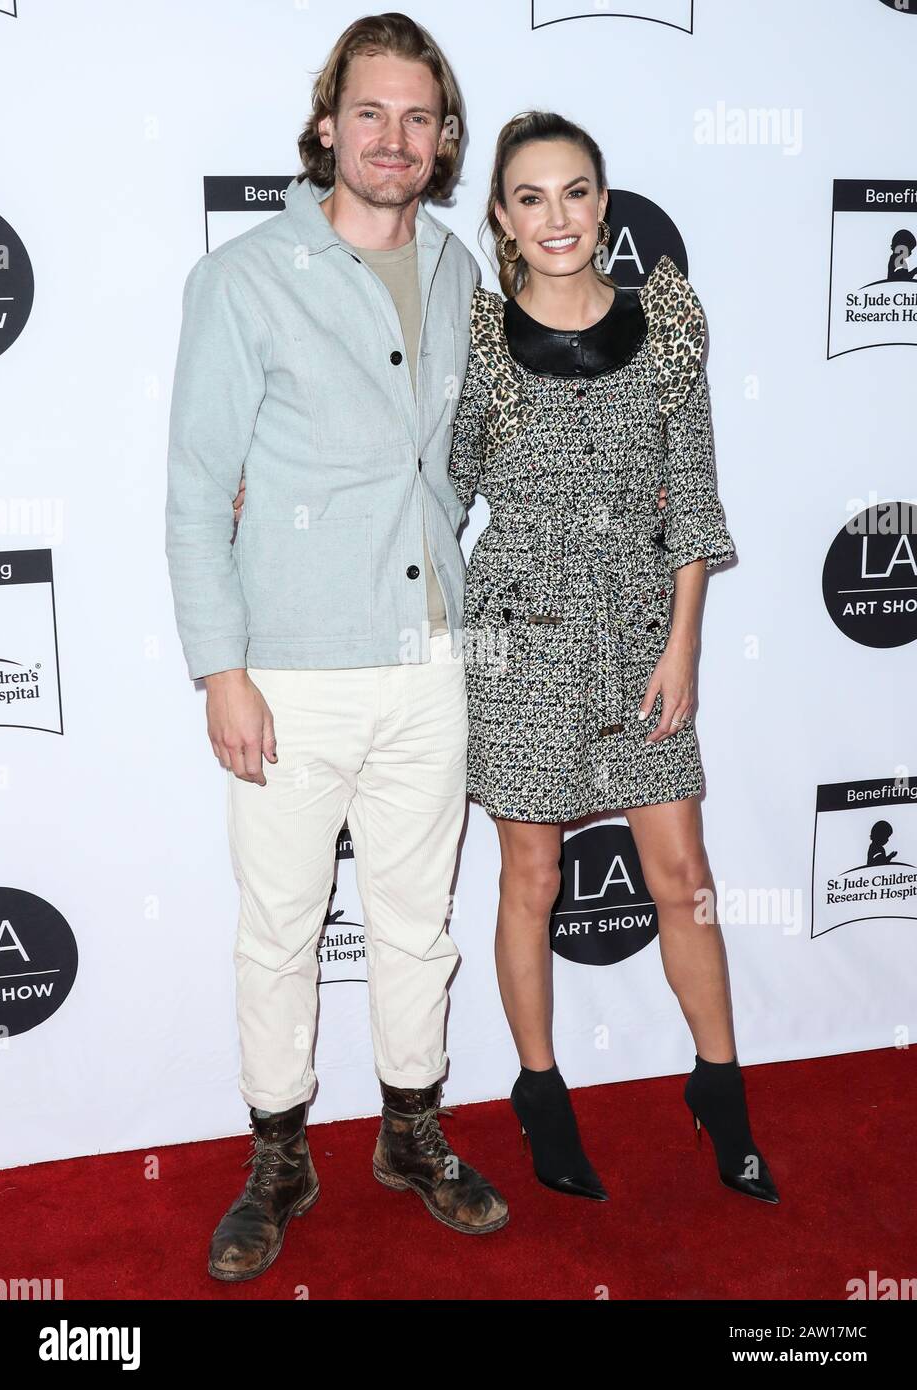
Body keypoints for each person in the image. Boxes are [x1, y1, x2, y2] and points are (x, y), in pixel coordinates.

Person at [165, 13, 510, 1283]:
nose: (394, 138)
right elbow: (198, 490)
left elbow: (455, 457)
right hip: (291, 672)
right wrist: (223, 669)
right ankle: (279, 1157)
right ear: (327, 124)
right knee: (280, 929)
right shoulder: (245, 276)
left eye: (419, 118)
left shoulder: (465, 270)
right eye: (371, 112)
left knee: (419, 921)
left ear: (443, 138)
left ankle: (411, 1133)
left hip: (431, 659)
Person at [447, 110, 780, 1205]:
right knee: (530, 876)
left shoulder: (668, 321)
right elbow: (437, 491)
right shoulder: (476, 341)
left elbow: (692, 494)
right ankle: (540, 1092)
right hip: (518, 639)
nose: (557, 215)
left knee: (682, 877)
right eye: (530, 196)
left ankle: (720, 1090)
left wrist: (685, 643)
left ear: (604, 203)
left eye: (576, 191)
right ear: (500, 216)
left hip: (645, 635)